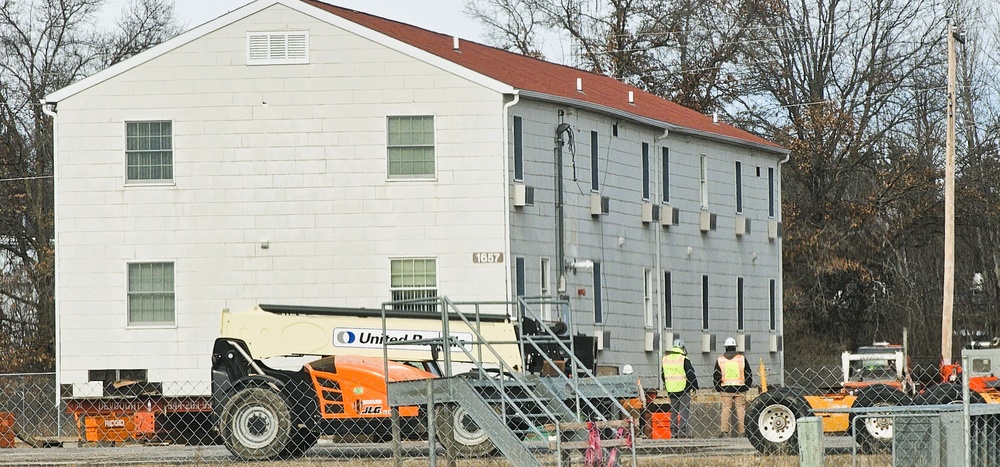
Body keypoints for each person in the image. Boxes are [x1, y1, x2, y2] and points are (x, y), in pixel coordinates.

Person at [714, 337, 753, 437]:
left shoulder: (720, 360)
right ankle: (743, 432)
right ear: (735, 348)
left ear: (726, 348)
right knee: (741, 410)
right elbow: (748, 373)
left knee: (726, 409)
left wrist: (718, 387)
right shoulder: (742, 359)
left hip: (725, 389)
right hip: (740, 388)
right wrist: (746, 386)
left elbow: (716, 375)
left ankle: (724, 431)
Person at [662, 338, 698, 438]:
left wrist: (668, 384)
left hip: (671, 389)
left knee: (674, 410)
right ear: (682, 348)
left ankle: (673, 432)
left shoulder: (666, 359)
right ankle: (682, 432)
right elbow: (691, 374)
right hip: (683, 389)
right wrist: (694, 385)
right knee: (684, 410)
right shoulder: (684, 359)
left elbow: (662, 375)